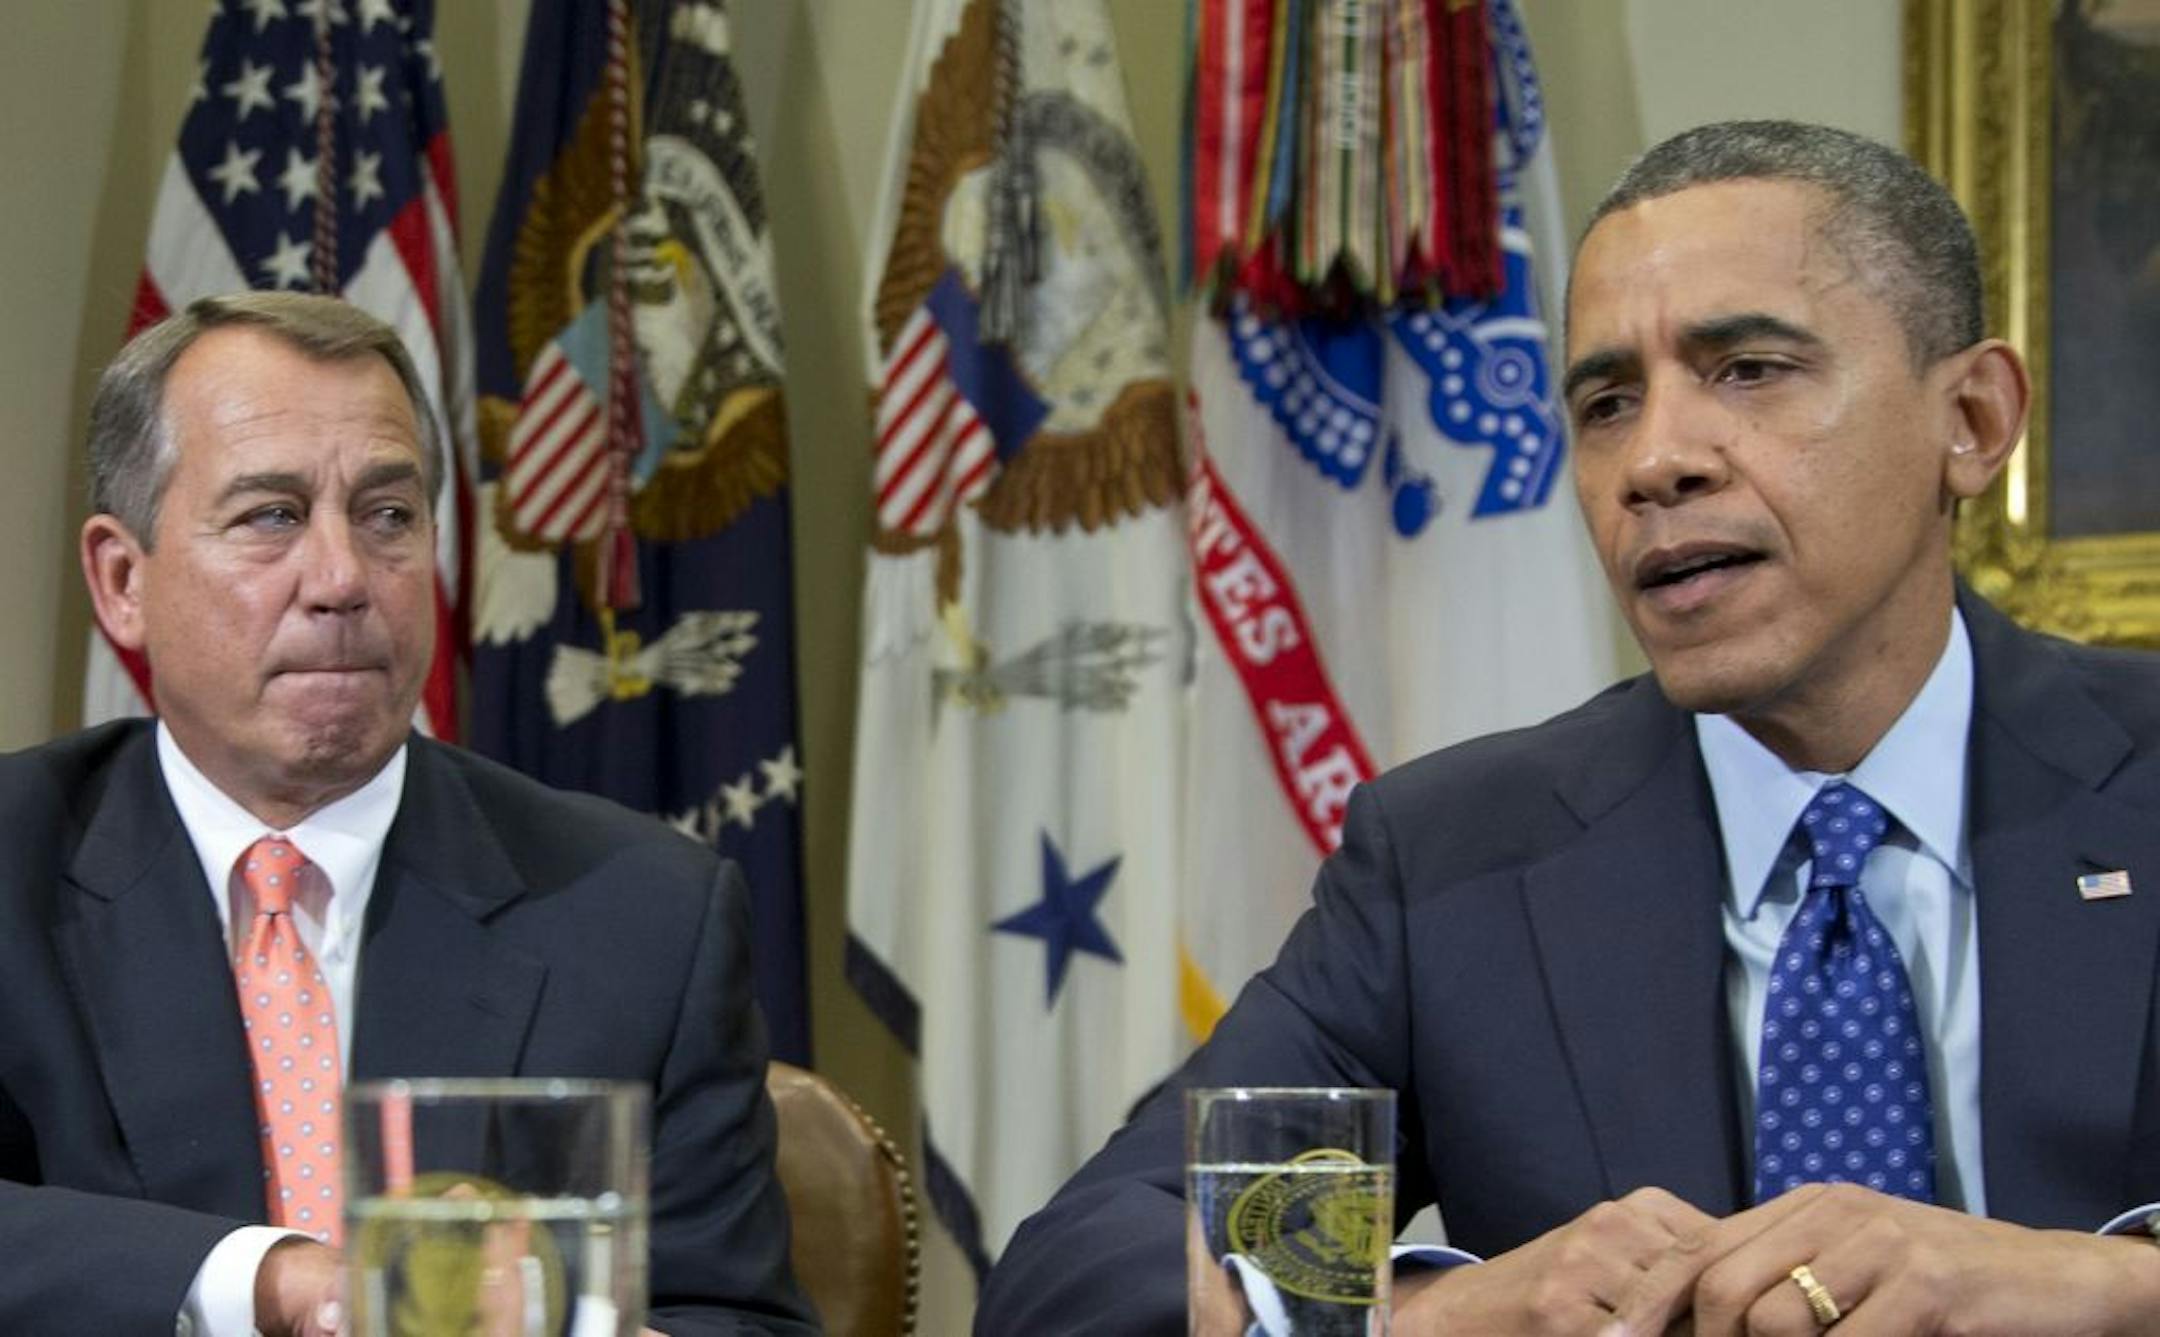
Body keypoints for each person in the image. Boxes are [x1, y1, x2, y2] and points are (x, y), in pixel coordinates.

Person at [979, 120, 2160, 1335]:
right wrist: (1433, 1310)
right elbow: (1085, 1269)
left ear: (1972, 417)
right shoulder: (1457, 860)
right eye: (1607, 402)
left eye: (1750, 369)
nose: (1655, 459)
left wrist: (2112, 1283)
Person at [0, 292, 818, 1336]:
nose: (343, 578)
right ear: (122, 580)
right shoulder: (15, 865)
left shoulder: (645, 914)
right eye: (271, 515)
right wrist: (278, 1279)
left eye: (388, 515)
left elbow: (735, 1317)